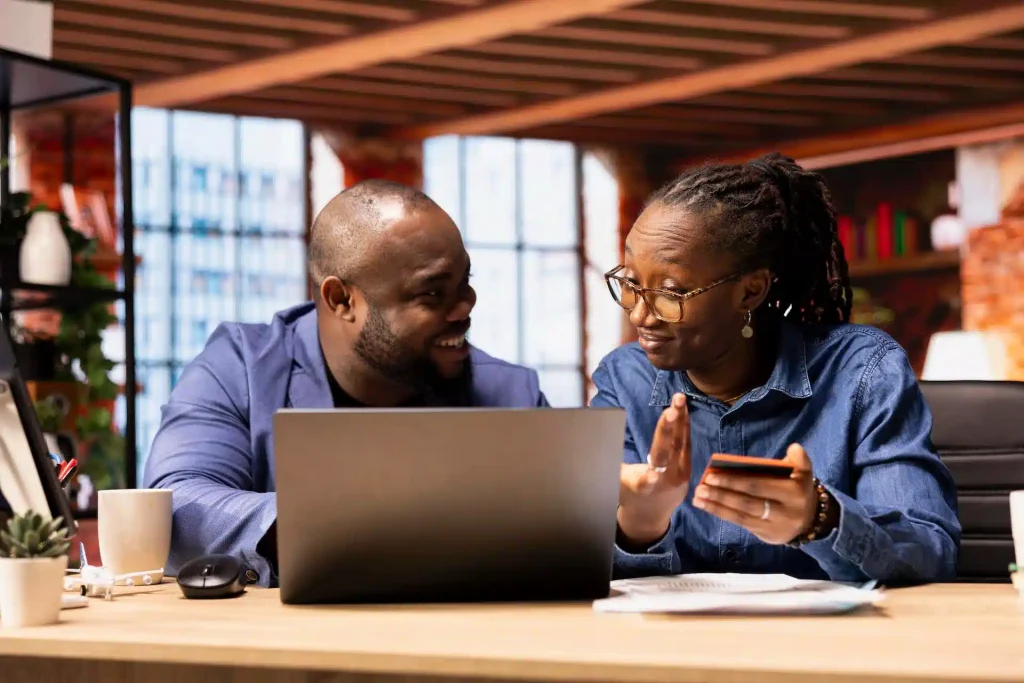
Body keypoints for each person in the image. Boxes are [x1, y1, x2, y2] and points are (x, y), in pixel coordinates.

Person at [144, 179, 548, 587]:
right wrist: (319, 523)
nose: (466, 306)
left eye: (465, 281)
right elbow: (176, 502)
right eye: (432, 293)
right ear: (341, 300)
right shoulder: (240, 369)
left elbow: (581, 536)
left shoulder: (513, 394)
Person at [592, 153, 960, 584]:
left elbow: (932, 554)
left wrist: (820, 519)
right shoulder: (625, 379)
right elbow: (577, 569)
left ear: (751, 291)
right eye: (632, 283)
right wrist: (639, 525)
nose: (641, 314)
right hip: (671, 649)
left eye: (671, 292)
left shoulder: (862, 372)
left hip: (835, 648)